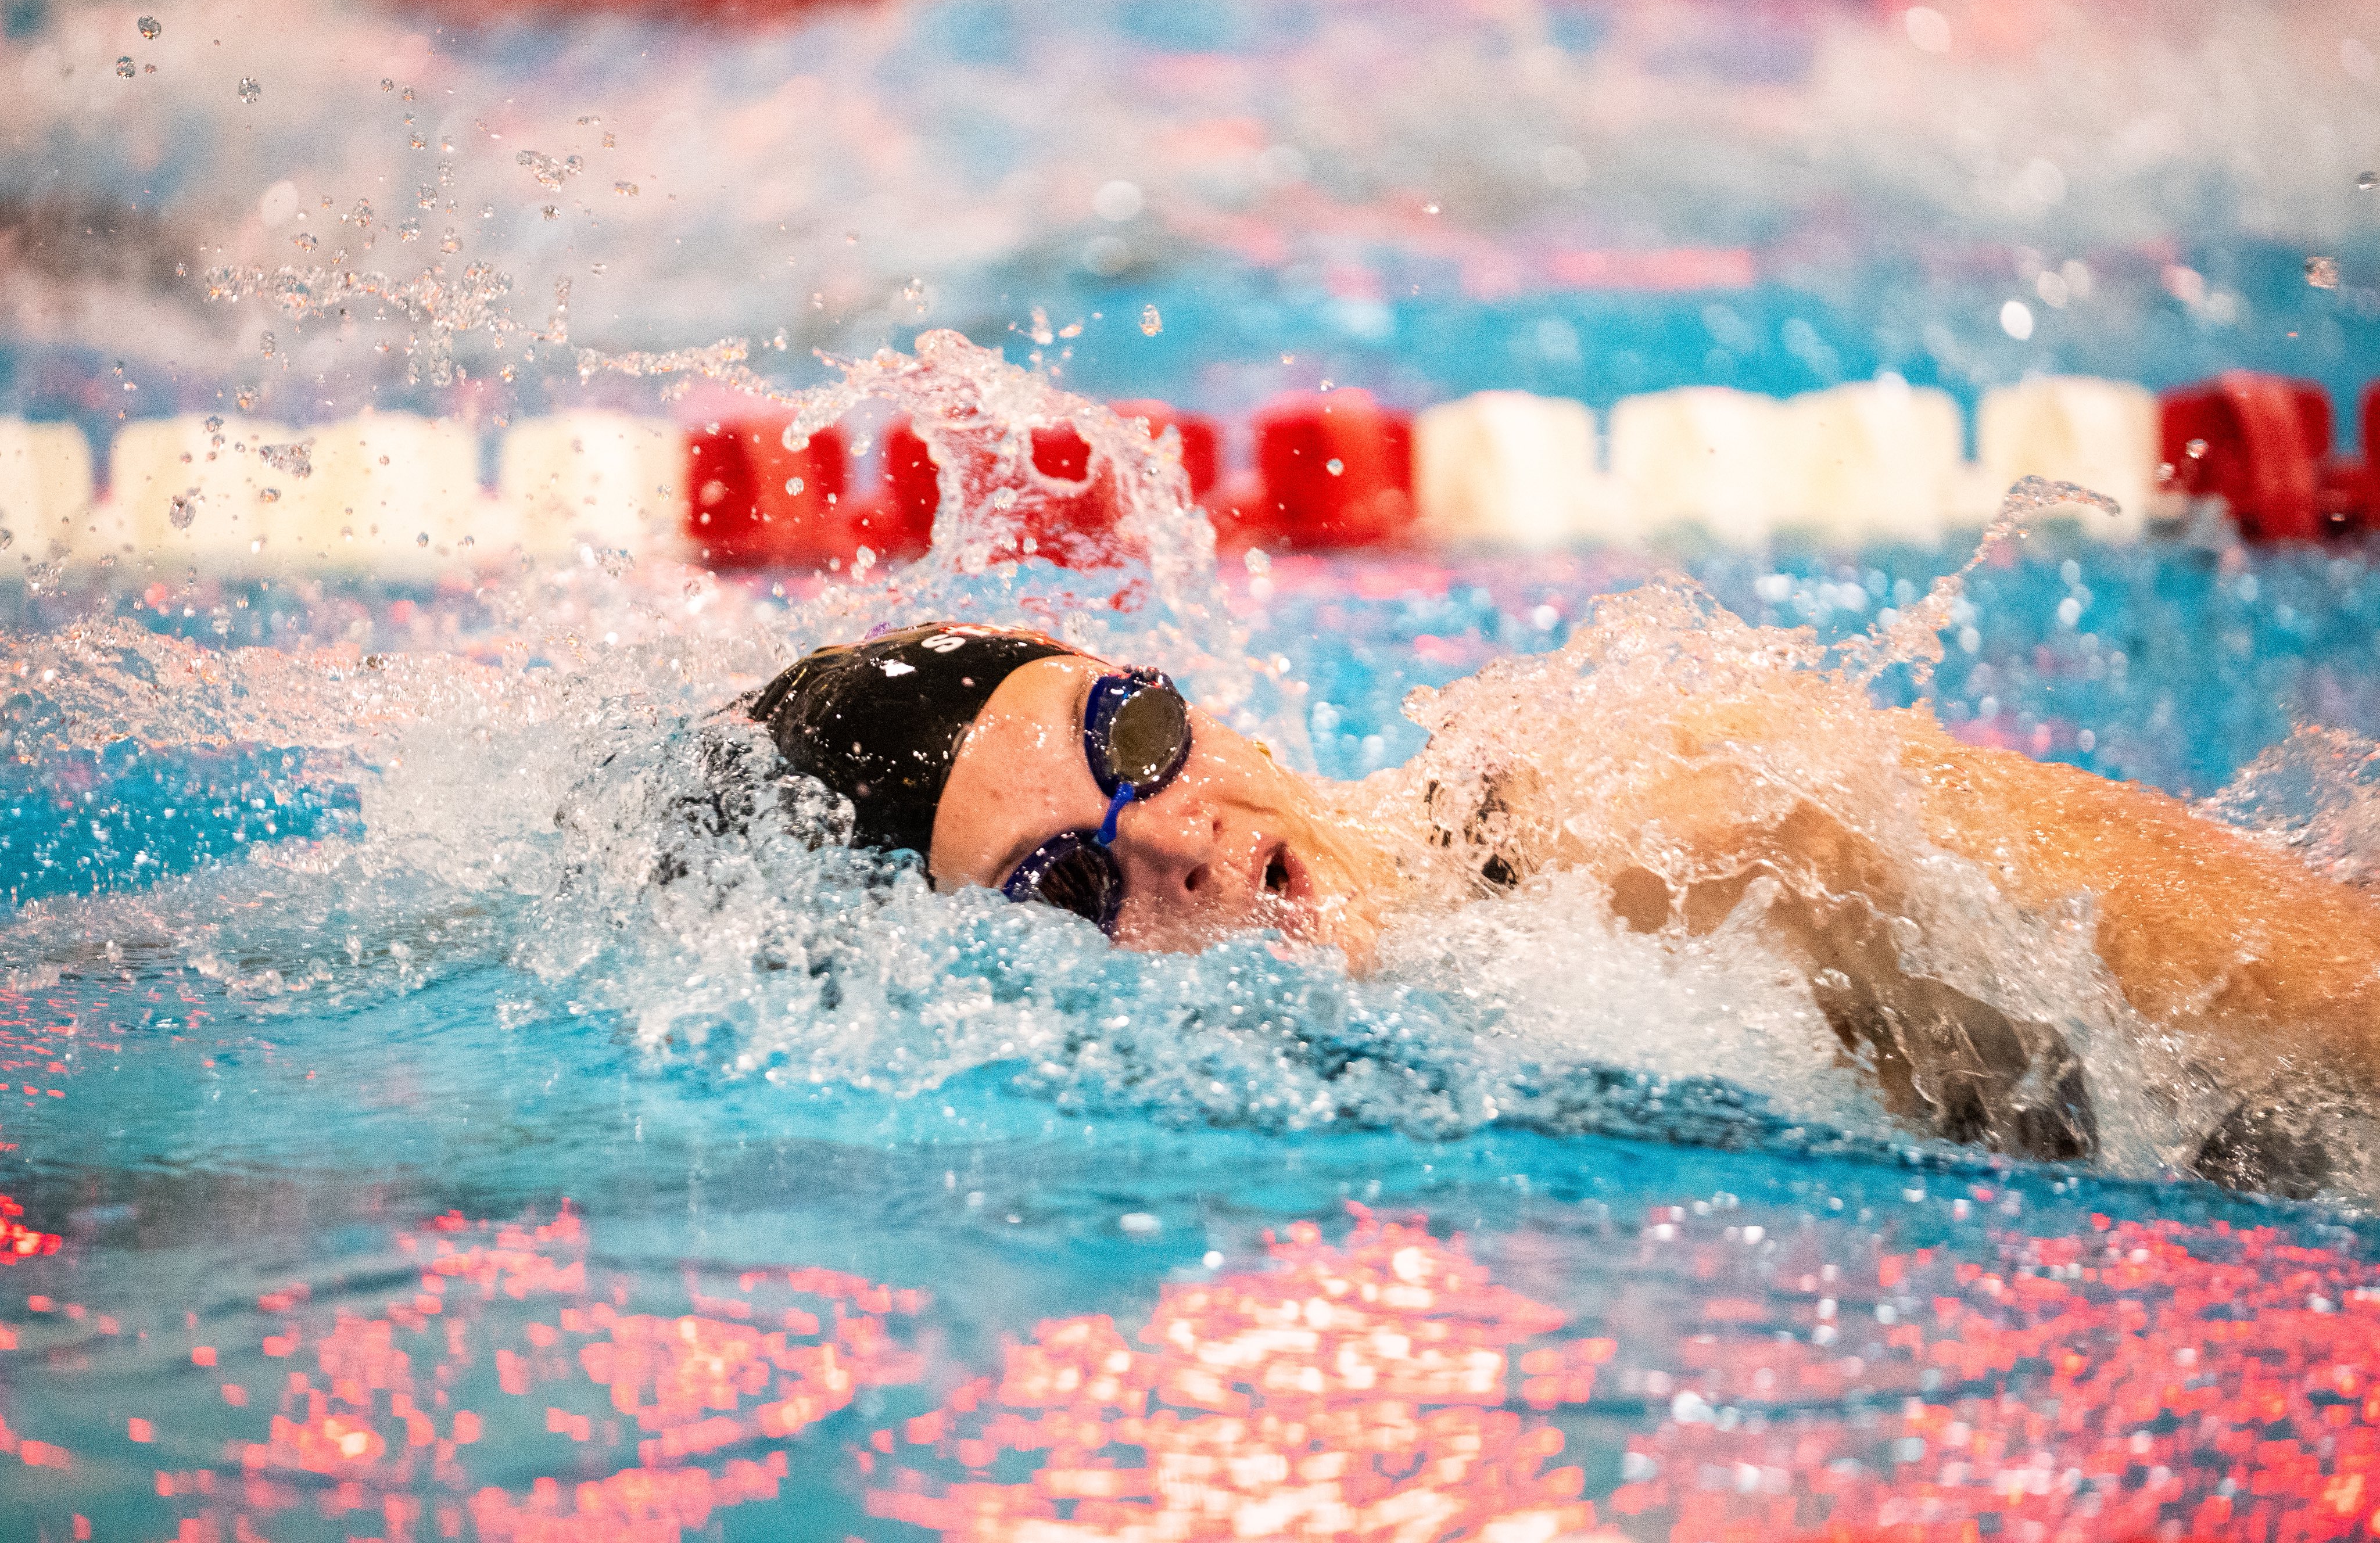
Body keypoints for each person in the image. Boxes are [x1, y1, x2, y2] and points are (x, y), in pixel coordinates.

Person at [744, 620, 2380, 1193]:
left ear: (1200, 702)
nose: (1170, 839)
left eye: (1133, 737)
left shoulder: (1688, 815)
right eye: (1066, 886)